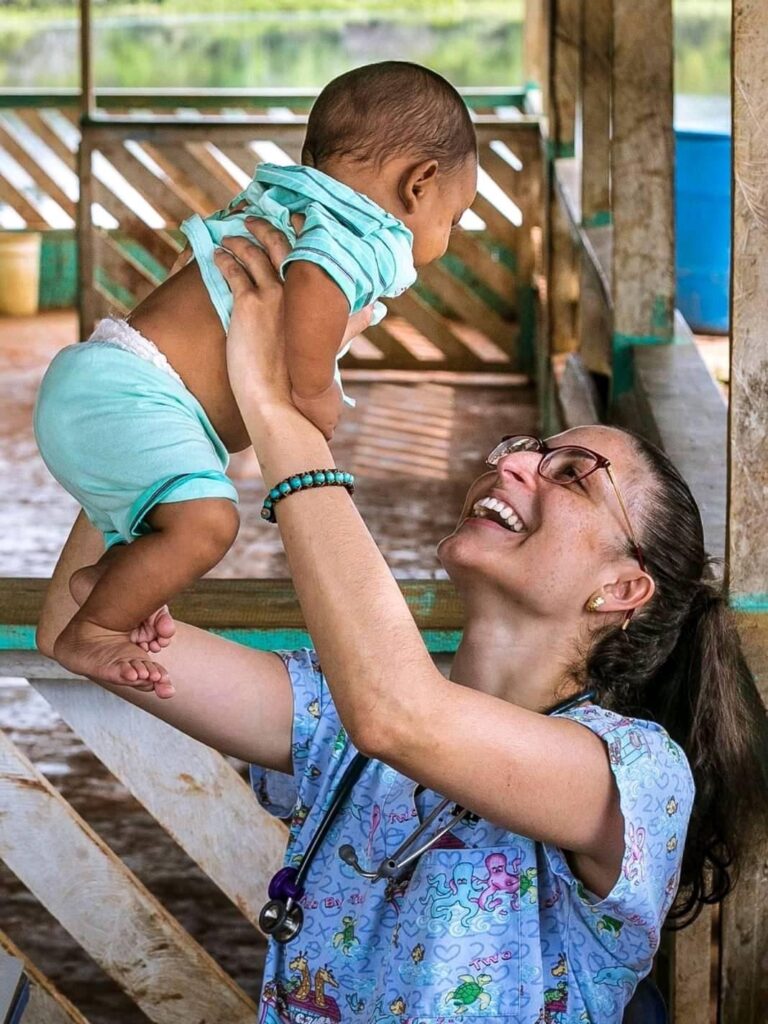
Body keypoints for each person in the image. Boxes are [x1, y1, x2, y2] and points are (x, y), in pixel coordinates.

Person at [37, 226, 768, 1023]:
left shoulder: (634, 772)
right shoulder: (335, 716)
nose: (510, 463)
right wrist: (171, 397)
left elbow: (403, 717)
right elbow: (79, 624)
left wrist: (278, 412)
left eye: (570, 477)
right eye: (525, 449)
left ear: (623, 588)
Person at [32, 61, 478, 694]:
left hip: (113, 385)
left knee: (180, 527)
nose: (448, 234)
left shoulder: (294, 202)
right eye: (455, 217)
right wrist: (317, 392)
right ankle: (93, 630)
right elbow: (315, 288)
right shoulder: (362, 234)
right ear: (419, 183)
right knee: (210, 524)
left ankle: (107, 583)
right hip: (136, 391)